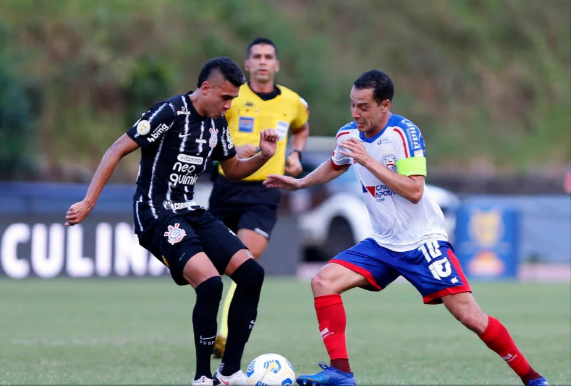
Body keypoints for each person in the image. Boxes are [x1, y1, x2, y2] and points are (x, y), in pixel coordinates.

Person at [264, 70, 548, 386]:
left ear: (385, 105)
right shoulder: (348, 135)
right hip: (384, 243)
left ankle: (533, 378)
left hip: (423, 242)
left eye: (363, 106)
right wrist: (301, 182)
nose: (355, 113)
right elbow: (337, 163)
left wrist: (369, 161)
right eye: (352, 105)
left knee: (470, 317)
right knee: (323, 282)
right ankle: (340, 372)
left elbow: (415, 191)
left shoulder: (404, 134)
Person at [64, 57, 279, 386]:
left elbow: (232, 169)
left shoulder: (217, 123)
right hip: (154, 211)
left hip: (189, 209)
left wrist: (263, 156)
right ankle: (202, 377)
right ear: (205, 88)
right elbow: (117, 148)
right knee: (210, 284)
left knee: (251, 274)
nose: (229, 104)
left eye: (234, 98)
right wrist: (89, 201)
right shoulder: (170, 112)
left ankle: (230, 372)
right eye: (225, 97)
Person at [208, 37, 310, 358]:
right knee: (208, 268)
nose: (263, 61)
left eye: (269, 56)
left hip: (264, 191)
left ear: (277, 65)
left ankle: (223, 335)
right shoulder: (233, 97)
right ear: (248, 64)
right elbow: (209, 129)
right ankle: (209, 326)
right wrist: (226, 151)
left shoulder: (292, 101)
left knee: (246, 262)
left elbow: (302, 127)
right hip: (227, 187)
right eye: (257, 57)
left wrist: (295, 153)